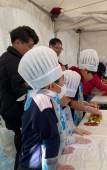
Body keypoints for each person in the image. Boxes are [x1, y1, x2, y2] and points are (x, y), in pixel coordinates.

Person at [17, 46, 74, 170]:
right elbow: (52, 138)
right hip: (35, 164)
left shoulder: (33, 94)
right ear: (52, 85)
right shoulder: (43, 101)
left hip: (27, 158)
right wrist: (55, 167)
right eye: (62, 82)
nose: (63, 86)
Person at [0, 26, 39, 170]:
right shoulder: (13, 61)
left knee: (21, 150)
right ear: (18, 43)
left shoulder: (10, 58)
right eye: (29, 46)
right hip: (16, 114)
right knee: (23, 151)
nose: (31, 50)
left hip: (12, 111)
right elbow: (22, 89)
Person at [69, 49, 101, 125]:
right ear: (85, 70)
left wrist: (86, 103)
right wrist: (90, 110)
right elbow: (73, 104)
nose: (92, 78)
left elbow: (73, 99)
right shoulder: (73, 78)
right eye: (92, 74)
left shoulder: (79, 78)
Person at [63, 70, 92, 145]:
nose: (69, 102)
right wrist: (74, 139)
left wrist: (75, 129)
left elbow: (69, 125)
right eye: (69, 99)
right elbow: (56, 140)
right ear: (64, 96)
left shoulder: (66, 107)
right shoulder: (53, 111)